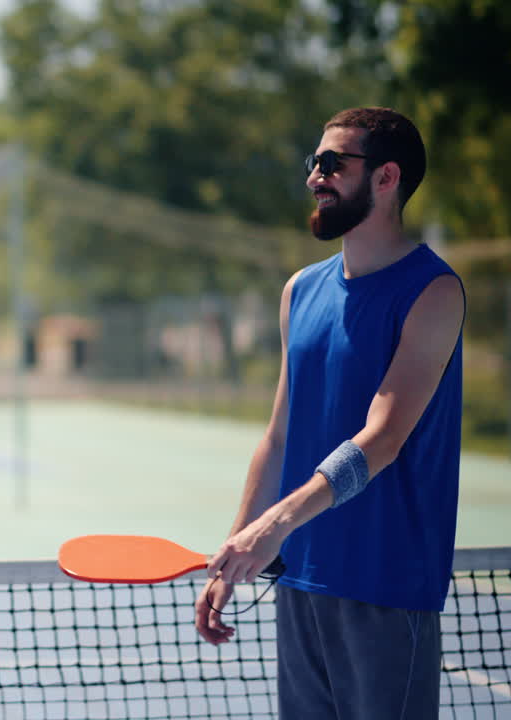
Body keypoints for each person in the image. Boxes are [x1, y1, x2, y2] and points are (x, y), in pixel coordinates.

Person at [194, 107, 464, 719]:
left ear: (386, 177)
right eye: (313, 162)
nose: (316, 176)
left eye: (332, 163)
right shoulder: (300, 290)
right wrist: (238, 543)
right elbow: (280, 435)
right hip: (300, 582)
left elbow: (384, 438)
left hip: (385, 585)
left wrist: (273, 527)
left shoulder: (434, 291)